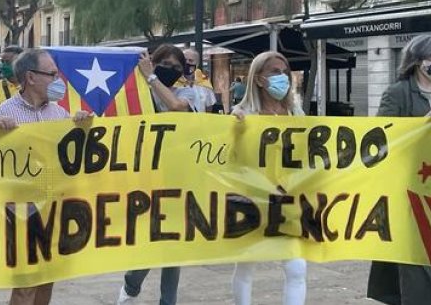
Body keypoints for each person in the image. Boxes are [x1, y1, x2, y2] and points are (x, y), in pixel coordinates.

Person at [367, 35, 431, 304]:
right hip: (410, 188)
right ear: (418, 59)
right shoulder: (398, 92)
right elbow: (382, 138)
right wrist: (419, 126)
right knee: (418, 259)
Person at [0, 48, 90, 305]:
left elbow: (75, 158)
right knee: (25, 285)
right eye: (52, 74)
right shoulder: (1, 115)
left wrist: (82, 128)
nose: (58, 80)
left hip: (54, 207)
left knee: (46, 278)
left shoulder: (60, 114)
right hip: (19, 210)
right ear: (31, 77)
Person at [118, 45, 211, 305]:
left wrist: (152, 77)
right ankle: (132, 282)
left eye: (177, 68)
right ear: (152, 62)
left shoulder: (187, 93)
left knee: (174, 243)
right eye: (165, 64)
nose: (171, 70)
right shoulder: (134, 94)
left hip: (178, 177)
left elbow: (176, 107)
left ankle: (167, 301)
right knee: (152, 238)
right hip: (143, 177)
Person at [227, 50, 308, 305]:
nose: (282, 77)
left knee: (296, 267)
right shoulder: (243, 113)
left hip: (288, 198)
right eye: (275, 72)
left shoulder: (296, 113)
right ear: (259, 79)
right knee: (247, 265)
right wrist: (234, 128)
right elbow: (230, 156)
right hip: (252, 197)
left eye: (285, 72)